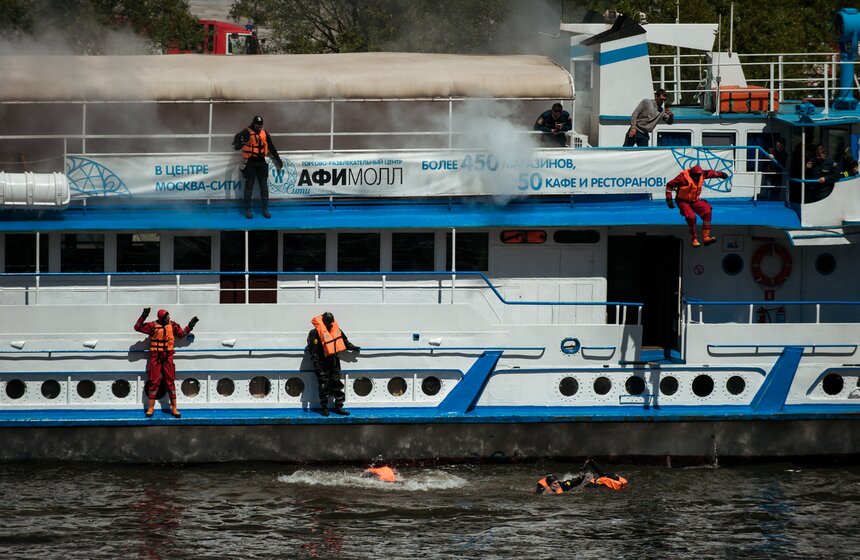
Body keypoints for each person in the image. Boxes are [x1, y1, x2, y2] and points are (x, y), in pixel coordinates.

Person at [134, 308, 198, 418]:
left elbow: (181, 334)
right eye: (167, 317)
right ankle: (150, 407)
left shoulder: (172, 325)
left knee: (170, 381)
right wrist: (144, 315)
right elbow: (137, 327)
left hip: (168, 356)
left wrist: (190, 326)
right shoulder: (152, 326)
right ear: (162, 319)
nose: (169, 318)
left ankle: (174, 408)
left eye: (169, 316)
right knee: (153, 381)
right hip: (156, 357)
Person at [307, 312, 360, 417]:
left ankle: (339, 406)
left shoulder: (336, 329)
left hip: (334, 361)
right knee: (323, 385)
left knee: (337, 384)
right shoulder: (314, 333)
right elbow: (313, 352)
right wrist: (317, 366)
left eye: (332, 321)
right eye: (329, 322)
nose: (331, 324)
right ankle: (324, 408)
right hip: (322, 363)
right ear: (324, 322)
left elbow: (344, 341)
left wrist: (353, 347)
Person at [232, 115, 283, 219]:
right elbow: (236, 146)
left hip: (261, 162)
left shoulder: (264, 133)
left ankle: (265, 209)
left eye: (261, 126)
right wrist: (240, 142)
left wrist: (278, 160)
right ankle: (248, 210)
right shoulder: (246, 133)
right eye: (257, 126)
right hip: (250, 163)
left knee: (264, 187)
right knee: (249, 187)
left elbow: (271, 147)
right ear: (253, 124)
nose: (259, 128)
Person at [666, 164, 728, 248]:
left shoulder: (702, 174)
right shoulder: (683, 178)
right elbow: (669, 185)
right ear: (692, 175)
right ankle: (694, 239)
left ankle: (706, 237)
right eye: (696, 176)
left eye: (699, 176)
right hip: (683, 201)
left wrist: (721, 174)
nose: (698, 178)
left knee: (707, 211)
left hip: (694, 200)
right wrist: (669, 199)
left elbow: (711, 173)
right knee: (691, 217)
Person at [561, 459, 628, 492]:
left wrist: (592, 463)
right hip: (593, 484)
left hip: (591, 486)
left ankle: (566, 484)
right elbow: (602, 473)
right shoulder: (620, 481)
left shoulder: (605, 485)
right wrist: (592, 462)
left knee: (577, 482)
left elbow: (602, 473)